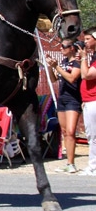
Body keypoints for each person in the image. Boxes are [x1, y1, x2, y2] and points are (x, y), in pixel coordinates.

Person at [46, 39, 83, 173]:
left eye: (64, 46)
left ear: (72, 48)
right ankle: (68, 162)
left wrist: (57, 67)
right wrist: (51, 67)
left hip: (73, 99)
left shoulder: (78, 62)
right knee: (65, 131)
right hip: (62, 98)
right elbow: (54, 79)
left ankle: (72, 163)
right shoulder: (64, 62)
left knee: (71, 131)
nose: (61, 49)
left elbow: (72, 78)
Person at [77, 27, 96, 176]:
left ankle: (93, 166)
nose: (85, 42)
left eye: (88, 39)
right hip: (88, 100)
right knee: (91, 135)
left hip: (94, 99)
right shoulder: (93, 56)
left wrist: (83, 58)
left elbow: (86, 75)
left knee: (94, 135)